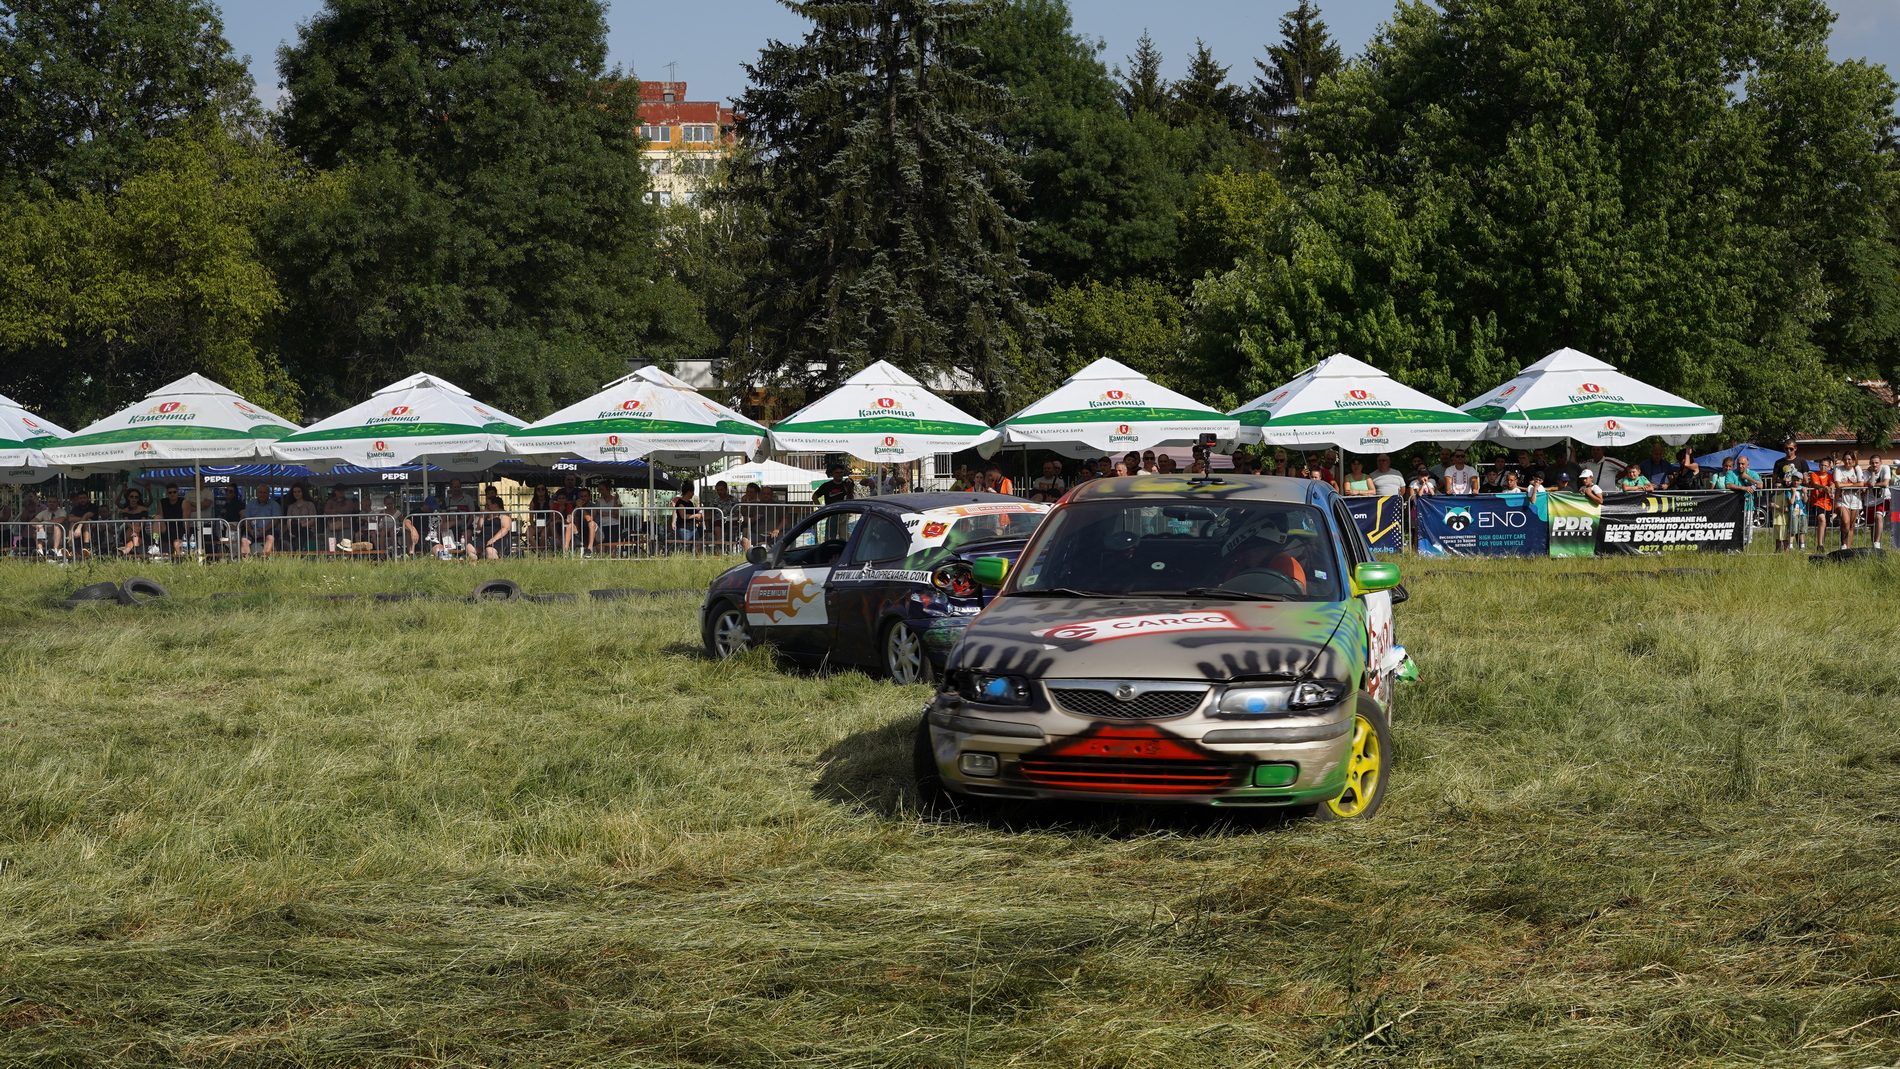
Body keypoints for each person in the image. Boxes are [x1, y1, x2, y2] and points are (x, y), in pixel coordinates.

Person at [469, 491, 514, 560]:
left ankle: (493, 568)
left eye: (488, 504)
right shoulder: (487, 514)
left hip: (499, 538)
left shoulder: (503, 514)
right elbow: (479, 527)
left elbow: (506, 528)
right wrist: (482, 516)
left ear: (495, 504)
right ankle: (474, 567)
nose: (487, 506)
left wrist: (494, 539)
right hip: (483, 538)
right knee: (469, 547)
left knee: (490, 551)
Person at [1835, 451, 1866, 549]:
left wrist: (1846, 486)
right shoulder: (1838, 469)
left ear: (1853, 460)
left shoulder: (1857, 469)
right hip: (1842, 499)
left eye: (1849, 459)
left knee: (1851, 525)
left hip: (1855, 500)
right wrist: (1853, 485)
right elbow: (1838, 485)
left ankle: (1848, 547)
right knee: (1845, 522)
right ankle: (1843, 545)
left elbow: (1861, 484)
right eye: (1845, 459)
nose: (1847, 461)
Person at [1808, 454, 1836, 550]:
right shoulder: (1814, 474)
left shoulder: (1830, 476)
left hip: (1827, 503)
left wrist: (1831, 487)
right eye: (1821, 465)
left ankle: (1822, 543)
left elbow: (1832, 483)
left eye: (1825, 465)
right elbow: (1815, 484)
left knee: (1825, 523)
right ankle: (1819, 545)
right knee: (1822, 519)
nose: (1823, 467)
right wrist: (1824, 487)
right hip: (1816, 501)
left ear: (1829, 467)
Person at [283, 484, 318, 552]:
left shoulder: (310, 504)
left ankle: (298, 555)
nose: (297, 493)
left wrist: (300, 526)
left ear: (303, 492)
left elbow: (312, 520)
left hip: (307, 528)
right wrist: (290, 530)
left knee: (299, 541)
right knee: (285, 539)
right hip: (293, 528)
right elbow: (288, 519)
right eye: (294, 492)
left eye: (299, 491)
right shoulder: (291, 506)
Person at [1867, 452, 1891, 547]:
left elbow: (1885, 483)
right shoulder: (1867, 472)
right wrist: (1872, 473)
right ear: (1870, 463)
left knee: (1878, 516)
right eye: (1872, 463)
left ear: (1881, 463)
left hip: (1884, 498)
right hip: (1870, 501)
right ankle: (1874, 544)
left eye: (1876, 463)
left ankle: (1877, 543)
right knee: (1873, 524)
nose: (1874, 465)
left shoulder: (1885, 468)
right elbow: (1868, 483)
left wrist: (1872, 485)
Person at [119, 489, 151, 557]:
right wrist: (134, 528)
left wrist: (138, 529)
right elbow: (126, 521)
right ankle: (134, 551)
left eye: (136, 497)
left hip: (141, 531)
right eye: (132, 497)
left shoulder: (143, 509)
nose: (134, 499)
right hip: (129, 531)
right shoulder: (125, 510)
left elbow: (143, 520)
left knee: (132, 540)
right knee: (133, 525)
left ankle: (124, 551)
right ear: (128, 498)